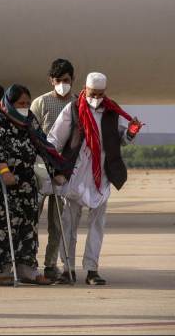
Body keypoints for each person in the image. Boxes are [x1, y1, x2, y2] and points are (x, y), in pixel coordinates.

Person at [49, 72, 139, 286]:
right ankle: (67, 268)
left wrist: (131, 133)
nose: (96, 98)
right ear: (85, 89)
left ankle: (92, 269)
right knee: (68, 224)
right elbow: (54, 139)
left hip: (102, 176)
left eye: (100, 94)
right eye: (93, 93)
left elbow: (120, 140)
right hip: (76, 173)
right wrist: (55, 169)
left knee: (97, 225)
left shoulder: (111, 111)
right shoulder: (72, 109)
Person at [0, 85, 53, 285]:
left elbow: (42, 143)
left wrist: (55, 168)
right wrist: (5, 172)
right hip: (2, 183)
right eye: (20, 103)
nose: (24, 107)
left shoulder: (30, 119)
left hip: (25, 182)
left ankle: (28, 270)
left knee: (27, 225)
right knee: (1, 227)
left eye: (27, 103)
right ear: (10, 102)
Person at [30, 58, 75, 281]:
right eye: (58, 80)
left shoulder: (78, 103)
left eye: (66, 80)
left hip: (64, 170)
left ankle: (50, 264)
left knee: (58, 222)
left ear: (72, 80)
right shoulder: (40, 103)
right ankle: (28, 261)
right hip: (39, 167)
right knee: (32, 219)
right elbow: (29, 133)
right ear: (51, 80)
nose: (62, 84)